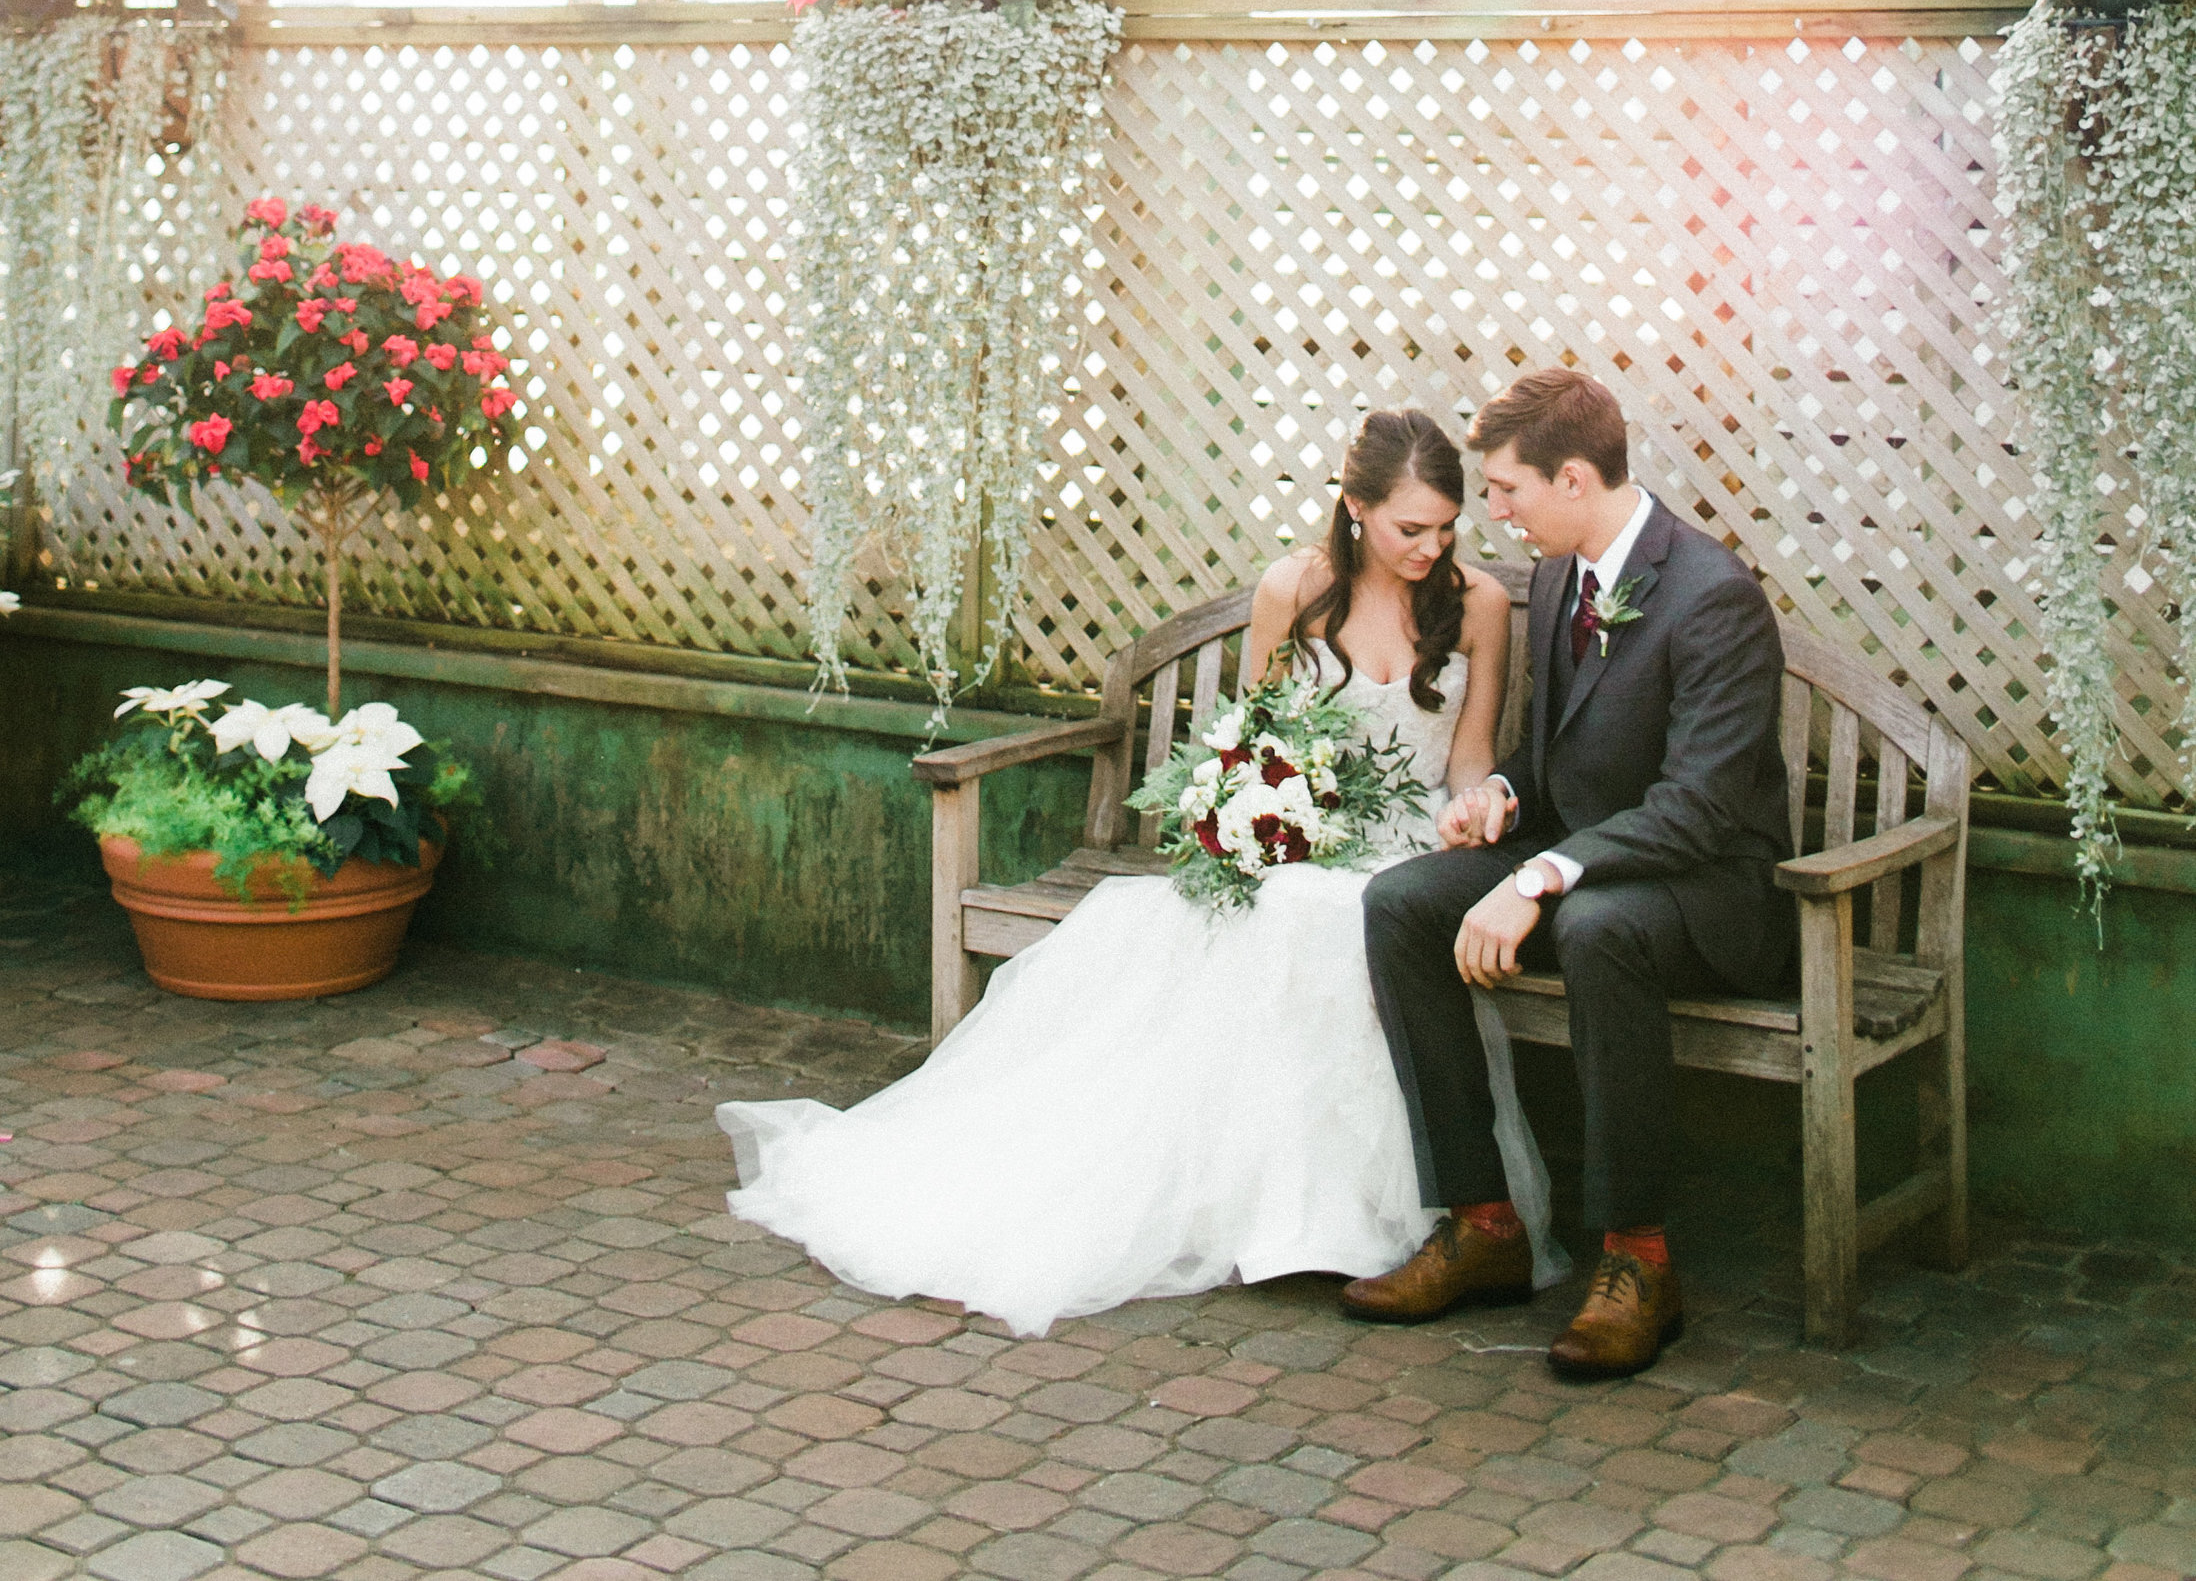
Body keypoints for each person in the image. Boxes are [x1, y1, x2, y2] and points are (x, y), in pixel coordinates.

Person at [718, 409, 1563, 1338]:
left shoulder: (1476, 605)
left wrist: (1475, 807)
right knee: (1288, 914)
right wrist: (1268, 818)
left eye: (1448, 528)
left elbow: (1472, 758)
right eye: (1413, 528)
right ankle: (1259, 1206)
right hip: (1306, 839)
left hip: (1408, 847)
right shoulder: (1295, 589)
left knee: (1359, 919)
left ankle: (1364, 1221)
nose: (1433, 547)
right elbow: (1258, 746)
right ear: (1356, 508)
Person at [1355, 366, 1795, 1382]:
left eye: (1505, 490)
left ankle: (1638, 1263)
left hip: (1708, 894)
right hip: (1594, 872)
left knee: (1601, 930)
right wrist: (1502, 799)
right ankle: (1480, 1225)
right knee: (1402, 903)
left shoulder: (1712, 597)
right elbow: (1559, 762)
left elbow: (1698, 808)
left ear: (1572, 478)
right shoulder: (1559, 578)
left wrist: (1544, 875)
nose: (1491, 512)